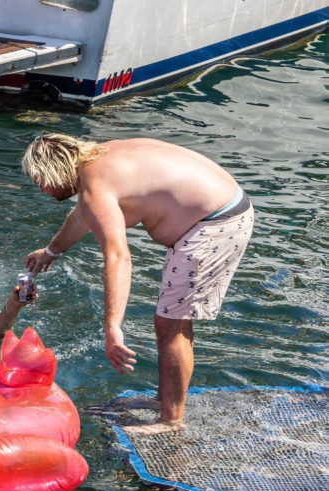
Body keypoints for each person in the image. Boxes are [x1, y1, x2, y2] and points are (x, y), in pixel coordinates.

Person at [23, 134, 254, 433]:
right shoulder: (100, 159)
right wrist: (51, 251)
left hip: (216, 224)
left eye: (41, 179)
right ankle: (164, 399)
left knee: (170, 325)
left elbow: (118, 256)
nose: (41, 188)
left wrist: (112, 327)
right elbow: (82, 216)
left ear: (55, 170)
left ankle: (171, 420)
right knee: (171, 322)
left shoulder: (96, 185)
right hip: (224, 210)